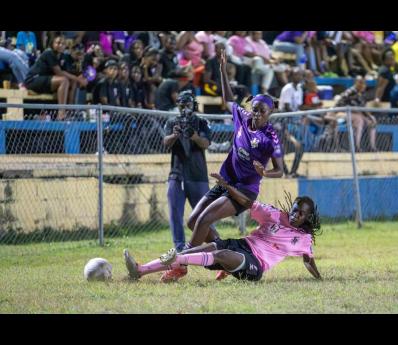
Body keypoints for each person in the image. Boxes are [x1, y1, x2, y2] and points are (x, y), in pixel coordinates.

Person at [159, 50, 284, 281]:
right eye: (254, 108)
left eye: (262, 111)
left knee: (205, 220)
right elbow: (228, 99)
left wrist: (265, 172)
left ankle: (181, 264)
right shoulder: (243, 118)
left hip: (244, 190)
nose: (256, 114)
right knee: (193, 221)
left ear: (270, 113)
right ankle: (222, 255)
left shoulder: (270, 137)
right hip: (225, 181)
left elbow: (281, 170)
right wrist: (223, 71)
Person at [124, 188, 322, 282]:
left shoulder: (304, 239)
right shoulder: (275, 214)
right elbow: (248, 203)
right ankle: (140, 271)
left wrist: (319, 279)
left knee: (220, 255)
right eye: (295, 210)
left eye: (301, 213)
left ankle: (179, 258)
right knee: (210, 247)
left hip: (255, 265)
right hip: (241, 245)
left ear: (308, 217)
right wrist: (228, 187)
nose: (295, 215)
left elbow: (308, 261)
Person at [162, 90, 213, 252]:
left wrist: (195, 137)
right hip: (176, 175)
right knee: (175, 214)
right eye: (182, 105)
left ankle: (213, 245)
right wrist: (175, 135)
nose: (185, 108)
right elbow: (165, 142)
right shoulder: (172, 122)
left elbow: (206, 144)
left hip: (198, 176)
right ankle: (179, 249)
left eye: (188, 105)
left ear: (194, 105)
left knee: (205, 216)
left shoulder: (202, 122)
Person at [24, 35, 88, 120]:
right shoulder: (49, 53)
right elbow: (59, 72)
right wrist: (78, 79)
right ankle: (61, 114)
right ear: (53, 44)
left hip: (46, 80)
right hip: (33, 79)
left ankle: (71, 112)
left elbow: (67, 72)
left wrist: (81, 77)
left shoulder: (62, 56)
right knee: (64, 80)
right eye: (58, 43)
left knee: (72, 82)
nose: (61, 45)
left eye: (63, 43)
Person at [335, 76, 377, 152]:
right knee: (359, 120)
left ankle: (372, 147)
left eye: (363, 83)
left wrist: (370, 117)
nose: (362, 85)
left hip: (355, 114)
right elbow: (340, 103)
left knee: (371, 122)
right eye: (360, 83)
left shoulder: (361, 93)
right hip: (341, 113)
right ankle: (356, 147)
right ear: (355, 83)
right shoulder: (350, 91)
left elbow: (362, 108)